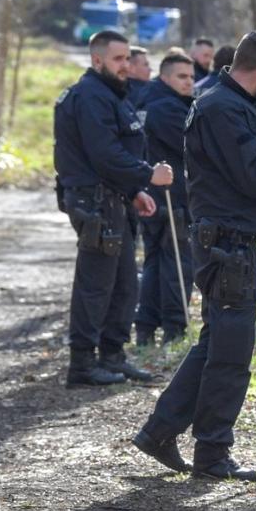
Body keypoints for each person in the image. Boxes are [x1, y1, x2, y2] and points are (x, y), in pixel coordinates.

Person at [131, 30, 256, 481]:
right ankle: (212, 453)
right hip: (225, 247)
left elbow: (247, 184)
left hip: (234, 240)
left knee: (215, 345)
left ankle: (159, 431)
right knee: (230, 354)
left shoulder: (236, 104)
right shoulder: (220, 109)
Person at [54, 30, 173, 386]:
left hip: (113, 199)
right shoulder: (91, 96)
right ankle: (82, 365)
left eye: (128, 59)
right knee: (95, 284)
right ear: (98, 60)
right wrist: (147, 175)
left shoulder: (108, 93)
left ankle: (112, 356)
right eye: (119, 59)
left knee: (123, 284)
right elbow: (104, 154)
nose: (126, 66)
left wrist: (134, 190)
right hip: (95, 203)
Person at [134, 53, 195, 347]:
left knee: (156, 262)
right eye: (182, 77)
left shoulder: (144, 101)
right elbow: (192, 149)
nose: (189, 82)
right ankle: (173, 326)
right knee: (176, 264)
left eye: (192, 77)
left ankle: (146, 326)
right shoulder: (167, 107)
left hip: (149, 194)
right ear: (166, 76)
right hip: (169, 197)